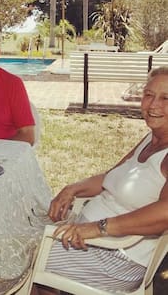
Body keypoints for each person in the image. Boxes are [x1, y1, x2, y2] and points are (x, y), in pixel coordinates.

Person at [32, 66, 168, 295]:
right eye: (148, 94)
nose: (153, 105)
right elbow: (111, 177)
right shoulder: (151, 139)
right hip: (91, 240)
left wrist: (96, 229)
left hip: (117, 257)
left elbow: (165, 213)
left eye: (166, 98)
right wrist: (72, 189)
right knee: (16, 232)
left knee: (16, 261)